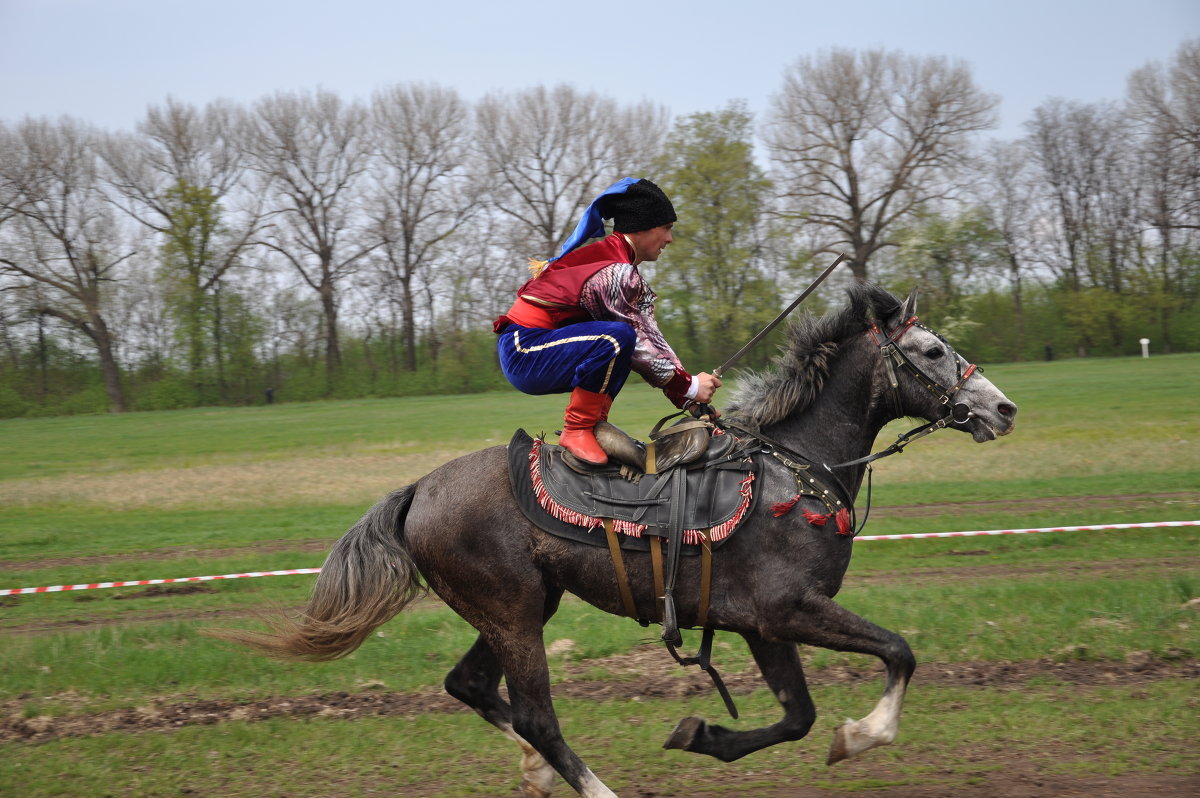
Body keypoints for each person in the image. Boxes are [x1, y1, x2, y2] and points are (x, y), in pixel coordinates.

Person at [493, 177, 721, 465]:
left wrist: (689, 398)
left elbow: (651, 338)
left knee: (621, 344)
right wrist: (688, 386)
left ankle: (594, 426)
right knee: (617, 339)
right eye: (666, 228)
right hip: (524, 351)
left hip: (539, 346)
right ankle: (576, 430)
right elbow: (640, 346)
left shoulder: (622, 267)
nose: (669, 239)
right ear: (643, 227)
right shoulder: (615, 272)